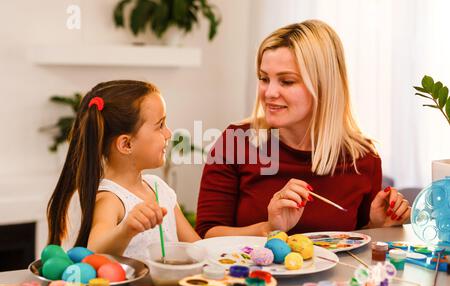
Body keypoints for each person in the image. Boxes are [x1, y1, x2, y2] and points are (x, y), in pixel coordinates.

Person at [196, 20, 411, 239]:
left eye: (286, 81)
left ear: (324, 85)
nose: (269, 92)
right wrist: (270, 229)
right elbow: (207, 234)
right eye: (264, 78)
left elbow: (355, 246)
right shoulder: (236, 142)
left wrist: (376, 227)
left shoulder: (363, 158)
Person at [47, 80, 200, 261]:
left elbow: (196, 247)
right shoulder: (110, 199)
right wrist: (126, 229)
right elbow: (95, 252)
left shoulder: (159, 188)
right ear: (126, 144)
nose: (168, 133)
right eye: (160, 125)